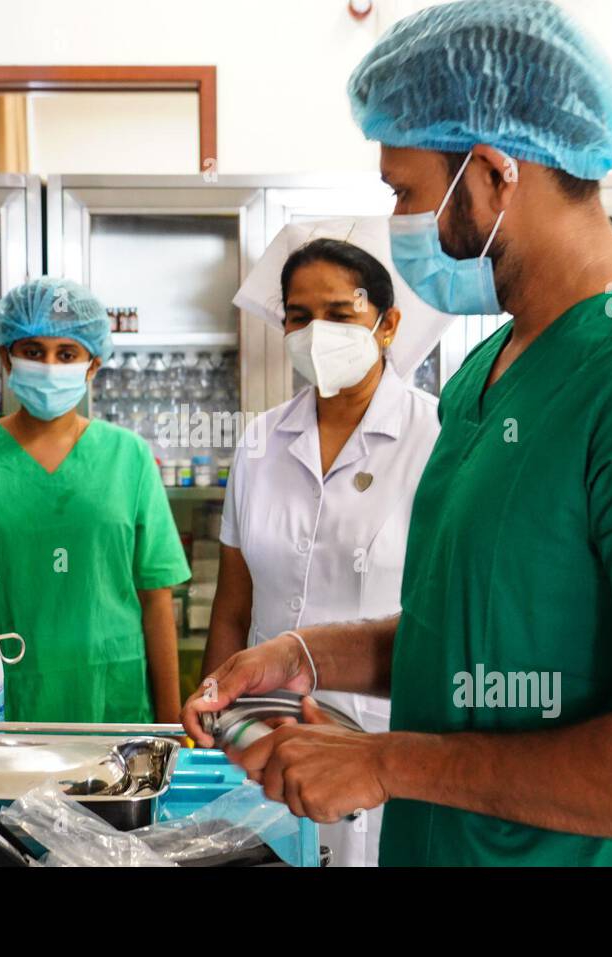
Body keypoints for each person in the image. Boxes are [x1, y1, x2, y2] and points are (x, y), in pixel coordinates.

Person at [185, 0, 612, 866]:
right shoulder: (484, 374)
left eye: (405, 192)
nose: (398, 223)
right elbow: (463, 641)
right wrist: (307, 655)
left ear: (495, 172)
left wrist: (385, 762)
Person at [205, 238, 439, 866]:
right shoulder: (260, 441)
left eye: (340, 314)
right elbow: (233, 606)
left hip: (380, 749)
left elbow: (448, 617)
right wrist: (212, 710)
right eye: (299, 316)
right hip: (259, 743)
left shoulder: (438, 439)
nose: (316, 333)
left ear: (387, 325)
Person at [0, 277, 189, 723]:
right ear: (6, 358)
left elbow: (156, 599)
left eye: (66, 354)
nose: (48, 365)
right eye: (32, 351)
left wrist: (171, 727)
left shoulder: (129, 455)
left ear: (92, 364)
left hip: (109, 696)